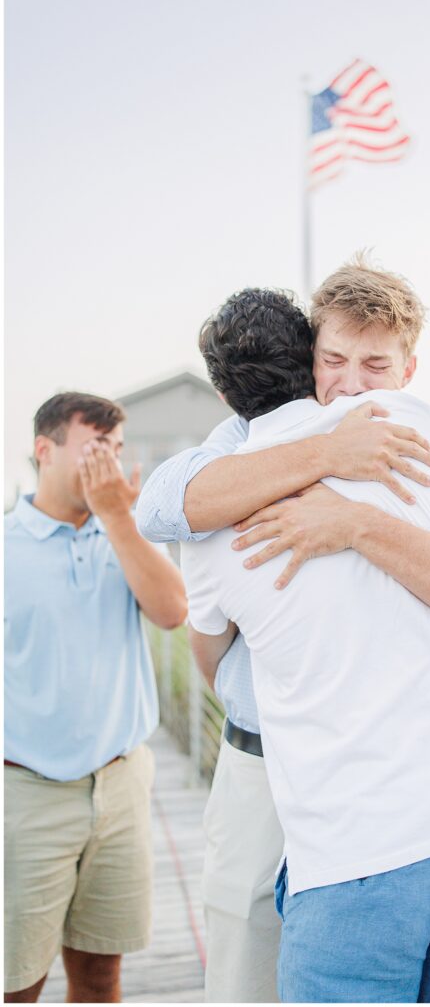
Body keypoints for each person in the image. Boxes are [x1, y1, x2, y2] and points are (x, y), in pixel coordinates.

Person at [135, 258, 430, 1002]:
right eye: (334, 360)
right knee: (249, 964)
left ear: (408, 370)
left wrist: (353, 522)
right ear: (308, 354)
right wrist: (325, 453)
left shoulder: (417, 438)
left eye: (374, 366)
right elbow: (162, 505)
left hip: (416, 795)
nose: (349, 384)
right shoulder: (238, 444)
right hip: (268, 761)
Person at [4, 392, 187, 1004]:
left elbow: (171, 612)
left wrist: (118, 519)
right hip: (25, 795)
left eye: (115, 449)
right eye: (93, 449)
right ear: (44, 450)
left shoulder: (123, 531)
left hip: (121, 786)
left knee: (101, 976)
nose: (109, 464)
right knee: (16, 983)